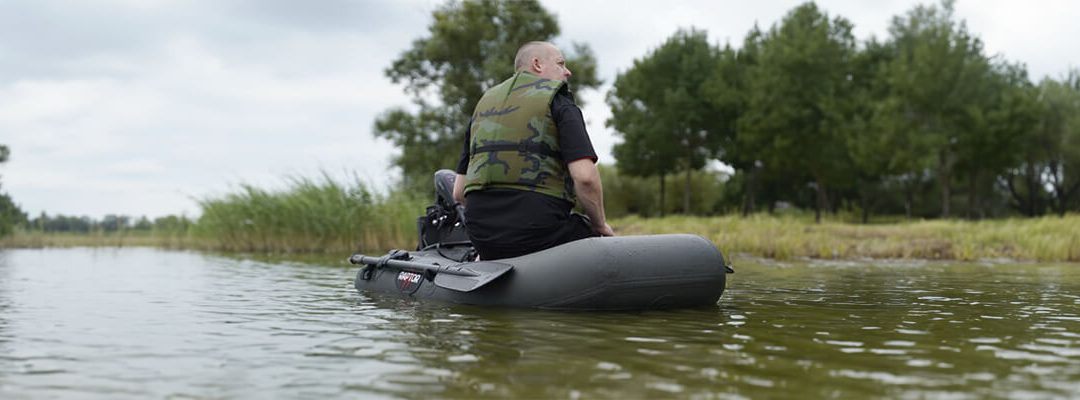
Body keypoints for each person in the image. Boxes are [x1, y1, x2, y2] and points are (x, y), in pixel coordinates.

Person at [451, 41, 614, 260]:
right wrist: (600, 225)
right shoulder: (560, 101)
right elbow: (585, 178)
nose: (568, 71)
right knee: (591, 233)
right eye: (561, 63)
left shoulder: (483, 107)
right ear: (537, 64)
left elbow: (459, 192)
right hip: (541, 232)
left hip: (483, 236)